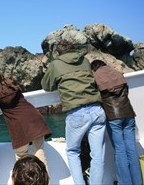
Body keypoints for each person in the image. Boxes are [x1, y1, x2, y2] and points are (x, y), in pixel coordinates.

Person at [41, 40, 106, 185]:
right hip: (97, 109)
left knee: (72, 152)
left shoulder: (56, 64)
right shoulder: (84, 60)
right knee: (98, 155)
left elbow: (46, 85)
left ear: (58, 53)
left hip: (77, 112)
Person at [0, 70, 52, 174]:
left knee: (21, 157)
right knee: (39, 153)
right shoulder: (12, 85)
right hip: (34, 118)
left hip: (19, 126)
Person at [91, 59, 142, 185]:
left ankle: (125, 183)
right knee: (132, 150)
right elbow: (126, 91)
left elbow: (96, 97)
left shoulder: (96, 76)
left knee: (120, 151)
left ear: (94, 68)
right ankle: (137, 182)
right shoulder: (117, 72)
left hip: (113, 116)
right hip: (129, 114)